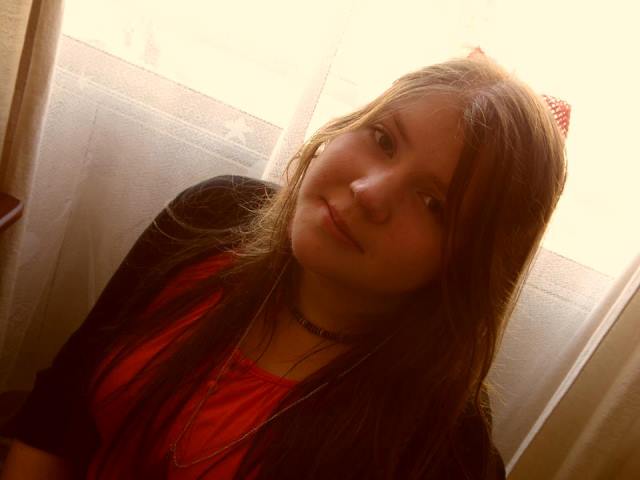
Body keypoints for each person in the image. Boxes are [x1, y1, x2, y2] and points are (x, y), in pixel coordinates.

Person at [0, 55, 567, 479]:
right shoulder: (212, 215)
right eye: (383, 139)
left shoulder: (439, 452)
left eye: (434, 203)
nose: (369, 192)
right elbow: (58, 410)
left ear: (467, 264)